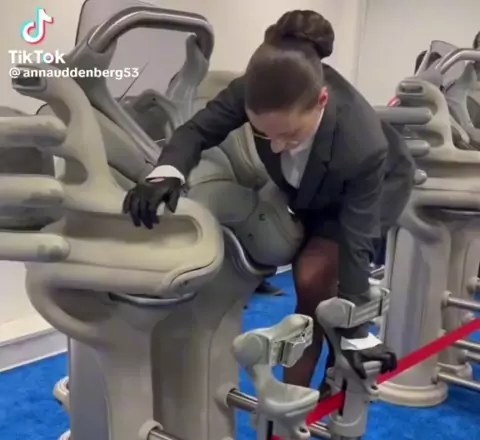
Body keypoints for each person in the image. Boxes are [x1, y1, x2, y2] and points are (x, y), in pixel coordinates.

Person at [123, 10, 415, 388]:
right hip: (310, 186)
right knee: (315, 287)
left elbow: (357, 236)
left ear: (322, 100)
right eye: (264, 134)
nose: (276, 147)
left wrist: (357, 329)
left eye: (289, 136)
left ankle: (320, 383)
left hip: (375, 186)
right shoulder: (254, 88)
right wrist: (166, 173)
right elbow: (196, 131)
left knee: (313, 281)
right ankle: (312, 374)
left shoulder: (362, 144)